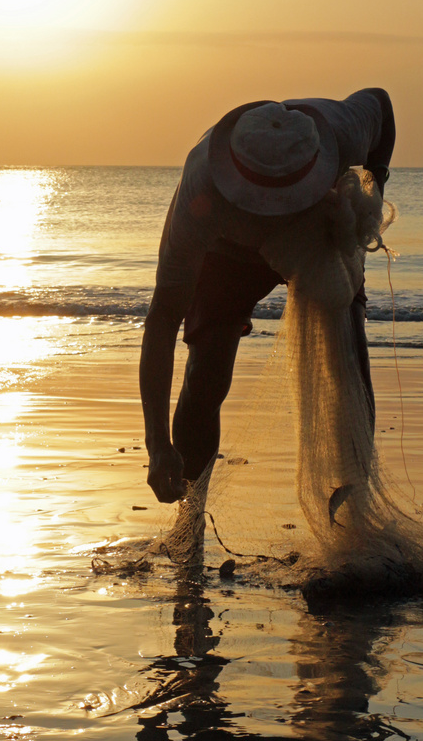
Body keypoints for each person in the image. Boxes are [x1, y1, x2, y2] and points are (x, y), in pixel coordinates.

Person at [140, 88, 395, 505]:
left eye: (285, 200)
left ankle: (355, 506)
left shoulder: (341, 128)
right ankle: (191, 512)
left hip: (318, 232)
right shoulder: (200, 197)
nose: (273, 211)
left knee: (350, 356)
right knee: (206, 374)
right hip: (229, 254)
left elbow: (381, 104)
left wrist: (376, 180)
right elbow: (164, 317)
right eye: (263, 203)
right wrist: (156, 444)